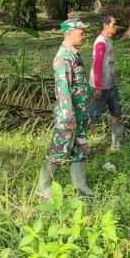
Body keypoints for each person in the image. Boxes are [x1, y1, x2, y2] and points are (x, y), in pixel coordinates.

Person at [38, 18, 95, 198]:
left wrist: (84, 113)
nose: (84, 36)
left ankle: (81, 187)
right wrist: (68, 117)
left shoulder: (74, 55)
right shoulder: (63, 57)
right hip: (68, 115)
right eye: (81, 33)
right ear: (68, 34)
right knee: (59, 149)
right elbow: (63, 90)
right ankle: (43, 186)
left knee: (80, 148)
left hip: (79, 113)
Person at [88, 13, 124, 149]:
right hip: (102, 86)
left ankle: (118, 145)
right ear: (105, 25)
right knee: (93, 114)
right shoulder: (100, 43)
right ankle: (78, 143)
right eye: (113, 24)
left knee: (116, 112)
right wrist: (98, 86)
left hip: (111, 84)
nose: (116, 27)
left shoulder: (109, 40)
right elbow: (97, 66)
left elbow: (110, 62)